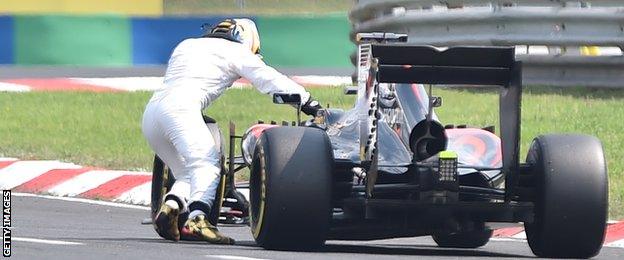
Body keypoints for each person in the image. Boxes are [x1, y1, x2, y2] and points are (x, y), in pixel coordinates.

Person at [142, 18, 322, 244]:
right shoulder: (237, 52)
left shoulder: (186, 45)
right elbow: (269, 79)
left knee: (188, 172)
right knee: (207, 165)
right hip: (181, 109)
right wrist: (309, 103)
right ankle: (198, 218)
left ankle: (170, 207)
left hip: (152, 114)